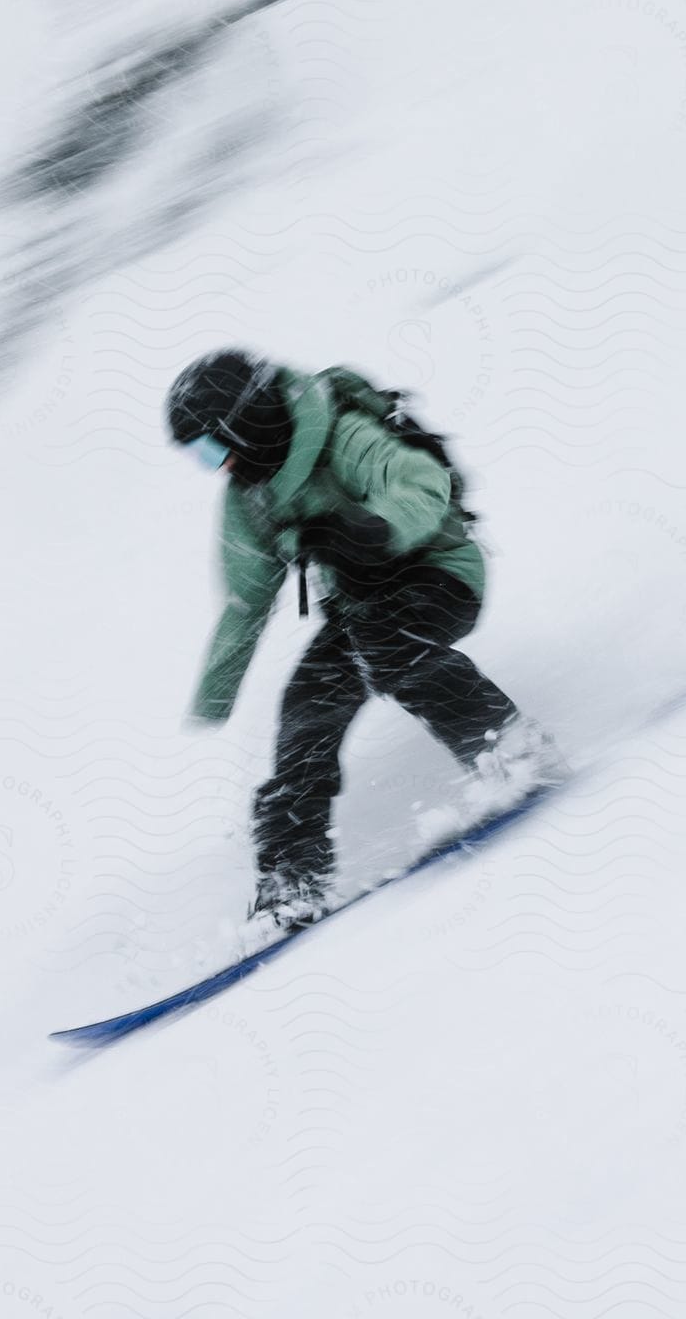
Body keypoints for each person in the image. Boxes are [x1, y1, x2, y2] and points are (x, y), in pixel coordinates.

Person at [165, 347, 562, 935]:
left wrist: (373, 530)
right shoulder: (251, 496)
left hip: (439, 571)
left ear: (240, 425)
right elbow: (244, 602)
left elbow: (420, 482)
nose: (217, 466)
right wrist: (212, 698)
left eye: (212, 447)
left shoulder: (336, 432)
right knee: (304, 715)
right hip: (359, 610)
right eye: (202, 457)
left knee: (388, 641)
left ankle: (508, 748)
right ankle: (289, 883)